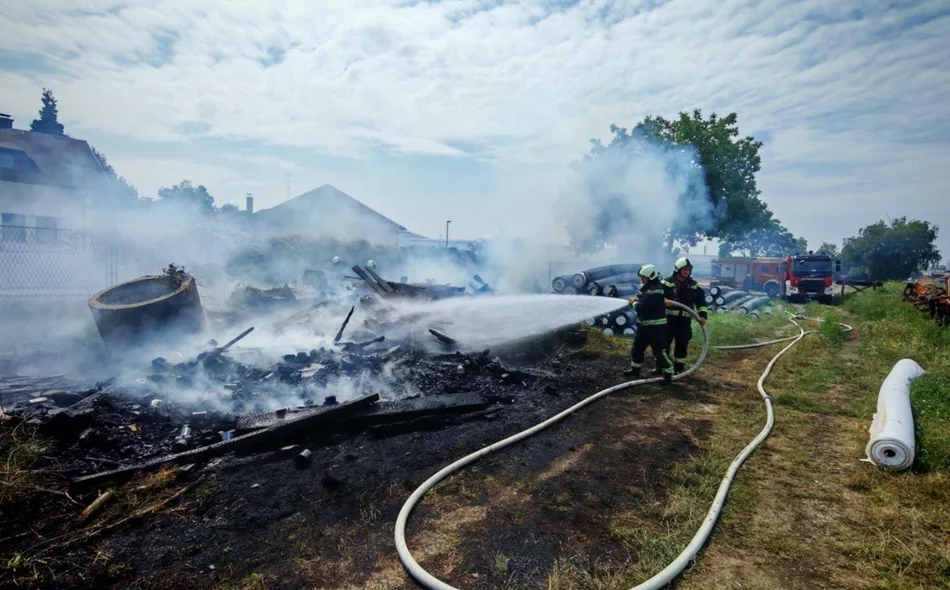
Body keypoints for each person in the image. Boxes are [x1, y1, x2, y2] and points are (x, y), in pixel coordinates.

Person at [624, 264, 674, 383]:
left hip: (656, 328)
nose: (642, 279)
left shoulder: (655, 290)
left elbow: (642, 308)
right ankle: (635, 369)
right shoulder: (648, 288)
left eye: (644, 277)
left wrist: (633, 303)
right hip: (644, 326)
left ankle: (668, 374)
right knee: (637, 348)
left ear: (651, 276)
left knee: (659, 352)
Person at [662, 257, 709, 374]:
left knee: (682, 343)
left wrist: (703, 315)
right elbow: (657, 298)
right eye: (683, 269)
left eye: (688, 269)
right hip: (668, 319)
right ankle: (662, 367)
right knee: (664, 343)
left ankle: (679, 368)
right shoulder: (666, 283)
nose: (686, 272)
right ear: (677, 270)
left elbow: (701, 303)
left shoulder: (693, 286)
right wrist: (665, 303)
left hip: (684, 320)